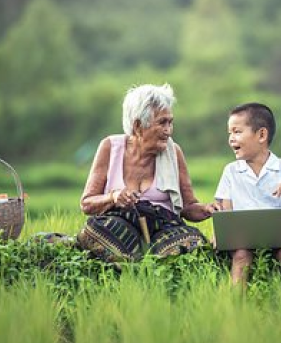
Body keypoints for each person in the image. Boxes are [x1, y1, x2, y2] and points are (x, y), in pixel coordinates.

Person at [77, 84, 218, 262]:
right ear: (137, 125)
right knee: (97, 230)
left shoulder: (174, 152)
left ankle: (142, 261)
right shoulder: (110, 147)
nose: (169, 130)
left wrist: (206, 209)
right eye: (162, 123)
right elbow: (87, 204)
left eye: (170, 122)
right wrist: (113, 197)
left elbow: (188, 207)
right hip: (120, 226)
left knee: (192, 241)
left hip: (163, 227)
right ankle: (140, 263)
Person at [214, 102, 281, 288]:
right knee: (241, 256)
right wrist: (221, 232)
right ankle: (235, 303)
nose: (231, 139)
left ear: (261, 135)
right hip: (244, 238)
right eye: (230, 133)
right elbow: (225, 210)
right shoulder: (231, 171)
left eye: (237, 132)